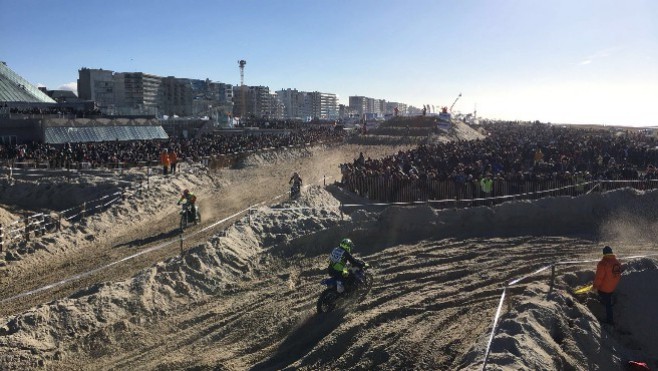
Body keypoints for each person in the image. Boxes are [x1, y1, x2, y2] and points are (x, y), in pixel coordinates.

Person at [593, 245, 622, 326]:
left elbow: (599, 277)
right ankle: (607, 301)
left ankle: (609, 321)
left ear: (604, 254)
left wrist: (595, 286)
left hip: (604, 289)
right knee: (608, 299)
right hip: (612, 287)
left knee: (606, 303)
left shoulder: (603, 264)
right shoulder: (617, 263)